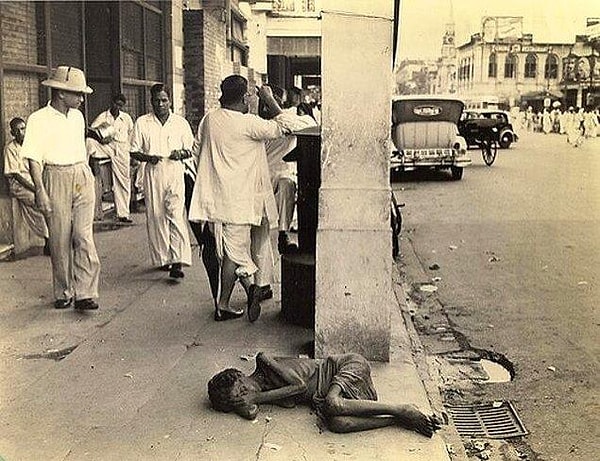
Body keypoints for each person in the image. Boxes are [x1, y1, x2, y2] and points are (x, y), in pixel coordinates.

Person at [189, 75, 298, 322]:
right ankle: (245, 291)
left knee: (230, 252)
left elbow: (197, 151)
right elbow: (287, 126)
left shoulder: (210, 119)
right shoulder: (249, 124)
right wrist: (269, 100)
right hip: (238, 203)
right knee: (235, 253)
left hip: (214, 201)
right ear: (244, 97)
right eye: (249, 95)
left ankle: (228, 302)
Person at [207, 352, 443, 437]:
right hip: (334, 396)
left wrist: (255, 397)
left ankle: (402, 409)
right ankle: (396, 420)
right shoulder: (263, 393)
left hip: (345, 368)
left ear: (239, 376)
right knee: (338, 423)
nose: (245, 395)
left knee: (333, 404)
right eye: (237, 398)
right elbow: (250, 412)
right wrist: (239, 403)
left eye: (241, 389)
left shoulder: (264, 362)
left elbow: (299, 386)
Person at [21, 66, 100, 310]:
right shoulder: (38, 119)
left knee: (83, 235)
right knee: (59, 239)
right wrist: (41, 191)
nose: (82, 98)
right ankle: (64, 291)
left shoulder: (77, 117)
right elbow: (34, 158)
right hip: (55, 177)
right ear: (61, 93)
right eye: (77, 93)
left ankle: (85, 293)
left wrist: (87, 177)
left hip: (81, 175)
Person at [130, 83, 194, 280]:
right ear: (151, 102)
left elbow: (190, 149)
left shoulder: (180, 123)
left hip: (174, 172)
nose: (160, 104)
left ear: (170, 101)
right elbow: (133, 151)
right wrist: (148, 158)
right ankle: (163, 259)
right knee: (157, 216)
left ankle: (178, 261)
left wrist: (180, 153)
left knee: (175, 214)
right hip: (153, 173)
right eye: (157, 101)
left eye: (164, 100)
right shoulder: (142, 122)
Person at [264, 90, 317, 254]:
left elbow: (305, 126)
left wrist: (270, 101)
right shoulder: (256, 122)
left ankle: (283, 234)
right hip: (257, 175)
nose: (264, 108)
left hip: (280, 173)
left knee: (287, 184)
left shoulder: (293, 117)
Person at [3, 117, 50, 256]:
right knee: (37, 202)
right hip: (19, 185)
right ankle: (47, 240)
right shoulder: (10, 149)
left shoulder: (31, 146)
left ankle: (57, 236)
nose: (22, 132)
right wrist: (36, 189)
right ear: (12, 133)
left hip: (34, 181)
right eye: (18, 130)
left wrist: (40, 185)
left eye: (24, 129)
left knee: (51, 199)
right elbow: (16, 175)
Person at [86, 93, 134, 223]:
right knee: (89, 143)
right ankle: (83, 165)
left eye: (120, 105)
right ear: (112, 102)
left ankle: (123, 214)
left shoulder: (126, 118)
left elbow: (131, 135)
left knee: (123, 180)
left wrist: (130, 152)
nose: (117, 107)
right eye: (115, 104)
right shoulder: (103, 116)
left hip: (122, 148)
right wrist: (100, 138)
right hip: (106, 146)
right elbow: (91, 131)